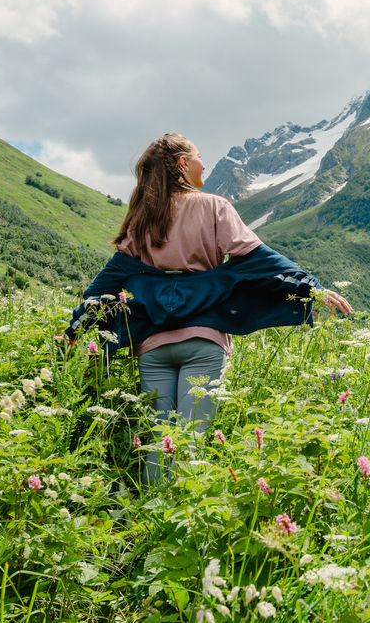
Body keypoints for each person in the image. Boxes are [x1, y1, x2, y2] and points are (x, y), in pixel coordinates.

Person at [66, 133, 350, 485]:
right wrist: (313, 289)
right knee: (190, 439)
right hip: (203, 342)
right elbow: (260, 259)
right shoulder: (214, 206)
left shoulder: (142, 221)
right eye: (199, 156)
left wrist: (71, 331)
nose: (204, 163)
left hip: (153, 347)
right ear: (183, 163)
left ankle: (150, 520)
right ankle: (176, 523)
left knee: (159, 440)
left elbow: (99, 291)